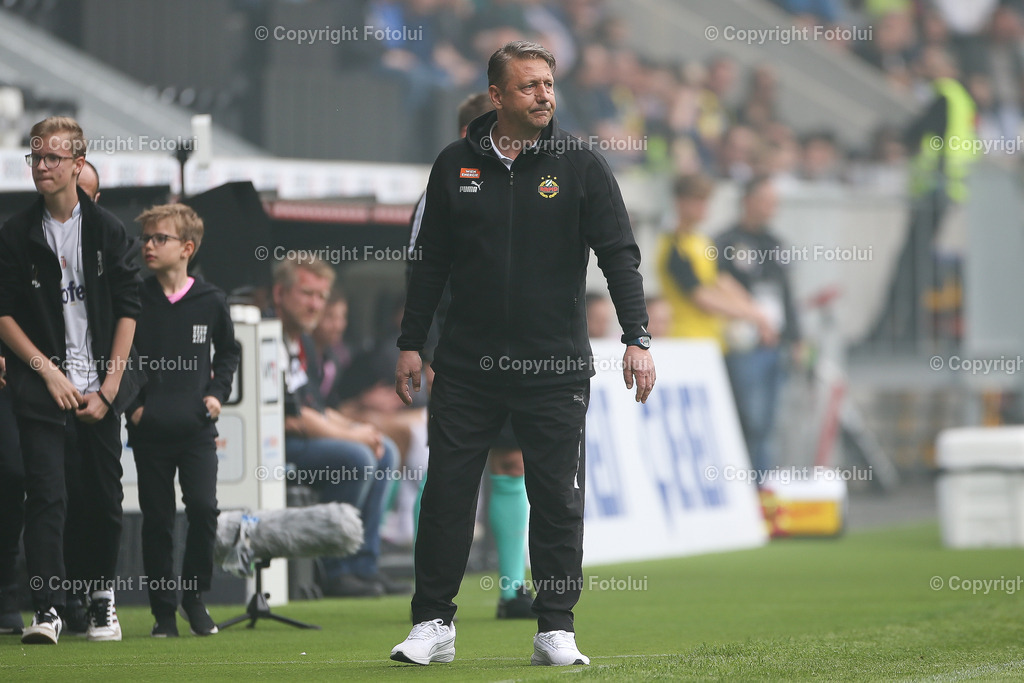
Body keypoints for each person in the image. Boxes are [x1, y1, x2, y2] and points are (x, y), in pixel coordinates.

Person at [391, 41, 655, 667]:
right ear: (497, 95)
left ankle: (555, 628)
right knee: (448, 495)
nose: (544, 96)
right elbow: (429, 263)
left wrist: (637, 337)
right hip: (466, 366)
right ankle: (432, 624)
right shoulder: (454, 163)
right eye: (530, 85)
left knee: (558, 498)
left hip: (554, 367)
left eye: (549, 85)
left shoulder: (581, 164)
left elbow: (619, 254)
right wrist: (411, 344)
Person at [0, 116, 143, 644]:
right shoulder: (15, 232)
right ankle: (48, 608)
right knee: (46, 495)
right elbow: (3, 313)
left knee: (103, 498)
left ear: (77, 164)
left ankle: (101, 599)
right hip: (40, 389)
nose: (41, 166)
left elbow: (129, 310)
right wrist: (46, 372)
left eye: (52, 157)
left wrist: (109, 389)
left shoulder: (108, 229)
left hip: (100, 388)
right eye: (35, 156)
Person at [407, 91, 534, 620]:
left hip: (517, 358)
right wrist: (426, 350)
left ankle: (512, 590)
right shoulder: (441, 192)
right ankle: (431, 589)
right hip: (456, 356)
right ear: (470, 134)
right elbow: (422, 279)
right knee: (449, 469)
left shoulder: (526, 185)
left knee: (511, 461)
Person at [125, 203, 240, 637]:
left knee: (204, 510)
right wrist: (135, 407)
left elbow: (228, 353)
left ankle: (194, 599)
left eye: (160, 238)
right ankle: (162, 613)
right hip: (149, 431)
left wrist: (215, 395)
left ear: (187, 248)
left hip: (196, 430)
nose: (149, 246)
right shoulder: (134, 298)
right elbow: (121, 356)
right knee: (157, 520)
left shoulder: (211, 300)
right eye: (146, 238)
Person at [274, 256, 406, 597]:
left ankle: (363, 566)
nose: (315, 304)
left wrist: (361, 430)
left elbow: (317, 408)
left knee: (384, 450)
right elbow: (293, 417)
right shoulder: (268, 338)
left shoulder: (302, 342)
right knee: (357, 457)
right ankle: (335, 570)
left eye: (321, 296)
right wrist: (352, 435)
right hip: (272, 446)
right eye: (307, 293)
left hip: (300, 438)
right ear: (280, 293)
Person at [715, 175, 799, 481]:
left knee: (768, 424)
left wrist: (796, 338)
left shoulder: (775, 243)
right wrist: (755, 319)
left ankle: (762, 486)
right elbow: (718, 289)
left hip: (775, 344)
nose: (771, 208)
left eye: (774, 202)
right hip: (743, 344)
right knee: (748, 420)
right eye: (765, 201)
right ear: (747, 201)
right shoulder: (724, 242)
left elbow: (786, 293)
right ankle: (746, 485)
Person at [656, 173, 777, 350]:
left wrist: (755, 310)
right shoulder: (674, 246)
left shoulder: (702, 241)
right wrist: (752, 315)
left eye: (705, 200)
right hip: (686, 339)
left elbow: (721, 280)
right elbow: (701, 296)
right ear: (680, 202)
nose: (704, 207)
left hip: (712, 339)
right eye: (698, 201)